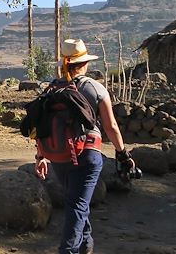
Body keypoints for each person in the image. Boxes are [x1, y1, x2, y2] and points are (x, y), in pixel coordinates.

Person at [34, 38, 135, 254]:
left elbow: (41, 125)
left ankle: (86, 247)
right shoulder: (95, 88)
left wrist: (40, 156)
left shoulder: (51, 89)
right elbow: (112, 126)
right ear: (85, 63)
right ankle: (68, 251)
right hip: (86, 154)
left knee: (76, 202)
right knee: (77, 206)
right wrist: (123, 154)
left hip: (58, 155)